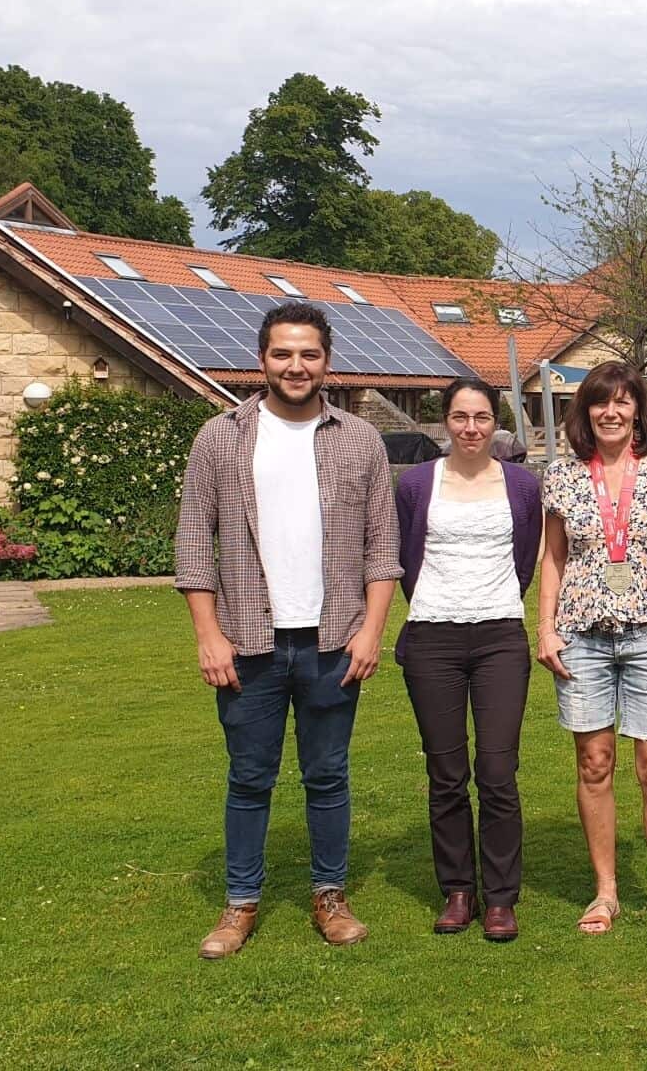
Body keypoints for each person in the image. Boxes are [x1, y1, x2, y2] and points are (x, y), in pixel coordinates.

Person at [174, 302, 401, 960]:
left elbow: (381, 545)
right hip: (249, 641)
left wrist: (371, 632)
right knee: (250, 777)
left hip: (335, 641)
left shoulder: (358, 439)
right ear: (262, 359)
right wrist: (207, 634)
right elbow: (193, 543)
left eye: (308, 354)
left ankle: (329, 896)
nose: (296, 366)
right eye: (282, 353)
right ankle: (240, 903)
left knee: (327, 774)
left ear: (326, 361)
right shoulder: (221, 438)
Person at [535, 360, 647, 942]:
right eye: (600, 402)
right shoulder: (561, 476)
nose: (611, 411)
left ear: (637, 409)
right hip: (581, 636)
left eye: (622, 401)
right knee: (594, 763)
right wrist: (546, 628)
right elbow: (553, 558)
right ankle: (605, 891)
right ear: (585, 411)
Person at [394, 380, 543, 942]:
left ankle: (502, 898)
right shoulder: (415, 484)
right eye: (460, 417)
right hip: (432, 637)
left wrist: (494, 603)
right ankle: (458, 891)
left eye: (481, 417)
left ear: (495, 422)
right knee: (446, 773)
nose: (471, 428)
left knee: (498, 773)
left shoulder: (523, 485)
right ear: (445, 422)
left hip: (500, 637)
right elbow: (406, 554)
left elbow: (524, 558)